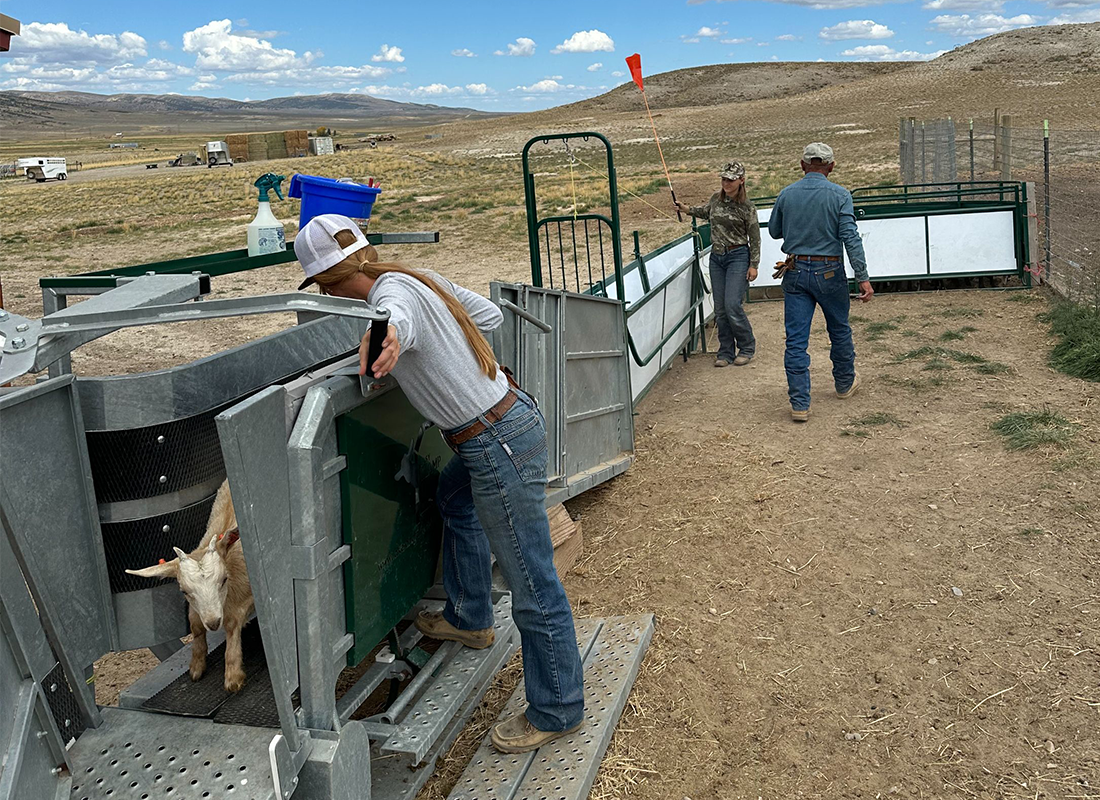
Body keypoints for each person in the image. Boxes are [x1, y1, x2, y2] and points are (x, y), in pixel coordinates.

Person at [293, 213, 584, 753]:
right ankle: (471, 617)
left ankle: (558, 707)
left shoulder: (388, 301)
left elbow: (393, 322)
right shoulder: (420, 276)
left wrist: (392, 340)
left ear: (329, 284)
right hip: (507, 418)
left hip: (493, 443)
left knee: (532, 582)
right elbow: (489, 314)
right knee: (454, 498)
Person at [768, 143, 874, 423]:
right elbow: (850, 237)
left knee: (796, 340)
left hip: (795, 270)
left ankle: (800, 403)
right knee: (838, 329)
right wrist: (862, 276)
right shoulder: (840, 195)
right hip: (829, 271)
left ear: (802, 165)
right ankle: (844, 382)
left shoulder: (786, 194)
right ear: (831, 166)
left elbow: (775, 231)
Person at [674, 161, 761, 367]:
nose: (726, 183)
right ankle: (725, 351)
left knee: (732, 305)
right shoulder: (716, 199)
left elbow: (755, 237)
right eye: (724, 179)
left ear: (741, 181)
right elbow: (705, 212)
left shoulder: (747, 207)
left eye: (730, 179)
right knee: (720, 308)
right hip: (717, 257)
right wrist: (686, 209)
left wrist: (754, 264)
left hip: (738, 256)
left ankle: (747, 346)